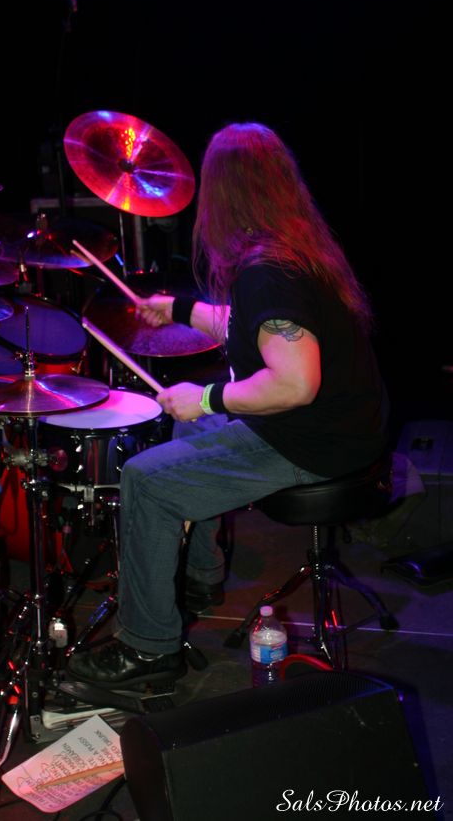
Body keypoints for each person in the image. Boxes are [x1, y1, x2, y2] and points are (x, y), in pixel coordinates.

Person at [66, 121, 389, 690]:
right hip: (344, 424)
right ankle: (202, 576)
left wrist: (205, 397)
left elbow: (293, 384)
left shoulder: (269, 272)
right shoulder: (291, 248)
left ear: (222, 192)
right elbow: (249, 327)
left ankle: (147, 649)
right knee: (190, 433)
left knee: (145, 479)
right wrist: (177, 308)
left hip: (313, 441)